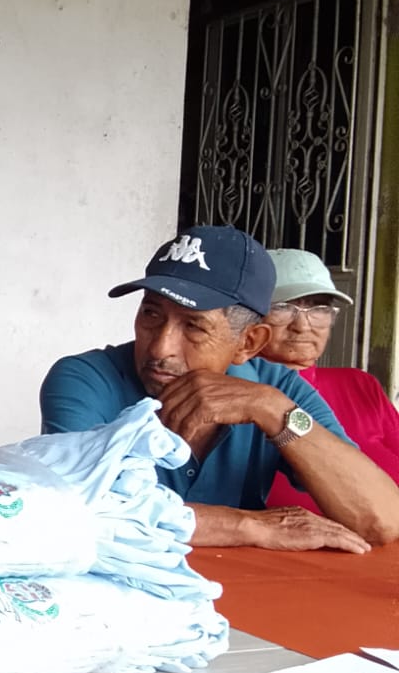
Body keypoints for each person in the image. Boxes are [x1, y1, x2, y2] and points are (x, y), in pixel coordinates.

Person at [40, 225, 399, 553]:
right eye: (151, 314)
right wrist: (250, 525)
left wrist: (272, 411)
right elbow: (81, 506)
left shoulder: (277, 390)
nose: (160, 348)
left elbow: (381, 519)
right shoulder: (86, 378)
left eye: (194, 326)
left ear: (249, 342)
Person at [260, 248, 399, 512]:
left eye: (319, 308)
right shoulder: (236, 393)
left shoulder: (360, 385)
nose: (302, 325)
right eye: (282, 307)